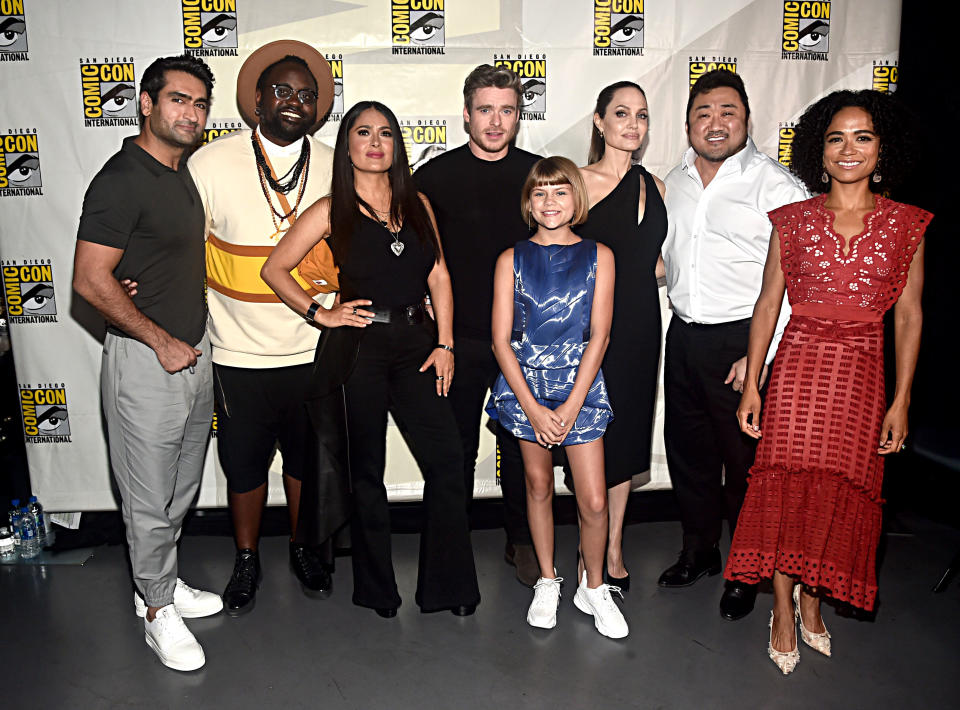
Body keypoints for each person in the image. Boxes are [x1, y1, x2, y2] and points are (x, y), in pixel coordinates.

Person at [725, 90, 931, 674]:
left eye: (862, 137)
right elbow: (768, 303)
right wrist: (752, 383)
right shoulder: (791, 220)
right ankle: (785, 608)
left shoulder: (907, 224)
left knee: (838, 492)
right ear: (820, 150)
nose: (849, 149)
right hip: (799, 370)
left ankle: (814, 598)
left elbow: (910, 315)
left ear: (881, 148)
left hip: (863, 376)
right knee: (792, 491)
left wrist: (903, 400)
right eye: (837, 137)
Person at [261, 100, 480, 619]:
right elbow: (276, 269)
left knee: (448, 462)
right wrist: (321, 314)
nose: (376, 142)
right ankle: (377, 590)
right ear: (348, 146)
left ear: (396, 144)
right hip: (358, 348)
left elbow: (440, 277)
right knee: (367, 472)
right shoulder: (329, 208)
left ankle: (449, 588)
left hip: (418, 346)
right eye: (363, 132)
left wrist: (445, 343)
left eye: (385, 133)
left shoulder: (418, 204)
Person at [73, 54, 222, 672]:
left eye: (200, 103)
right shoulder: (121, 178)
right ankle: (158, 609)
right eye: (178, 100)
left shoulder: (180, 172)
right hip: (146, 361)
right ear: (146, 103)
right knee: (148, 494)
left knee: (181, 487)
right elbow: (87, 278)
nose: (191, 113)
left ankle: (155, 584)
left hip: (193, 353)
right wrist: (157, 339)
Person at [186, 40, 346, 616]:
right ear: (256, 99)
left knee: (306, 461)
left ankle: (304, 548)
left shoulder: (337, 163)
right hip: (238, 352)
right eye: (281, 90)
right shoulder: (210, 163)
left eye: (307, 95)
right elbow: (182, 248)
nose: (294, 102)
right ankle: (247, 557)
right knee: (245, 465)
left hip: (314, 350)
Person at [659, 70, 808, 621]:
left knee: (744, 466)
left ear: (747, 118)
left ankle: (746, 573)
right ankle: (698, 552)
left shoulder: (777, 187)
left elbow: (799, 280)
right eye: (703, 112)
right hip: (684, 335)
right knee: (689, 454)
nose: (715, 122)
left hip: (744, 338)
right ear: (688, 122)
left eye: (727, 111)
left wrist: (761, 353)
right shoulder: (671, 181)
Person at [487, 156, 627, 638]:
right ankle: (548, 581)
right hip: (527, 388)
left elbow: (600, 337)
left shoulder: (599, 255)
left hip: (581, 388)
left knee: (592, 500)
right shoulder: (511, 258)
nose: (550, 201)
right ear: (529, 201)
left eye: (561, 191)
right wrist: (532, 408)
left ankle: (594, 586)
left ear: (577, 199)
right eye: (541, 192)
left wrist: (569, 407)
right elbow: (500, 341)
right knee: (538, 487)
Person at [414, 64, 541, 587]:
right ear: (466, 115)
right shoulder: (433, 178)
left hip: (528, 339)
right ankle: (450, 543)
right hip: (458, 337)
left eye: (506, 110)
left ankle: (523, 541)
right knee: (455, 447)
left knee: (522, 445)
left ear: (518, 116)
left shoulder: (541, 176)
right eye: (485, 110)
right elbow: (414, 255)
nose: (495, 121)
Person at [576, 81, 667, 590]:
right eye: (622, 113)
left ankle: (612, 549)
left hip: (641, 324)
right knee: (595, 434)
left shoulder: (654, 183)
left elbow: (653, 258)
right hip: (590, 327)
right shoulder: (578, 183)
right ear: (599, 120)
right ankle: (590, 541)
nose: (633, 125)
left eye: (642, 116)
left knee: (629, 434)